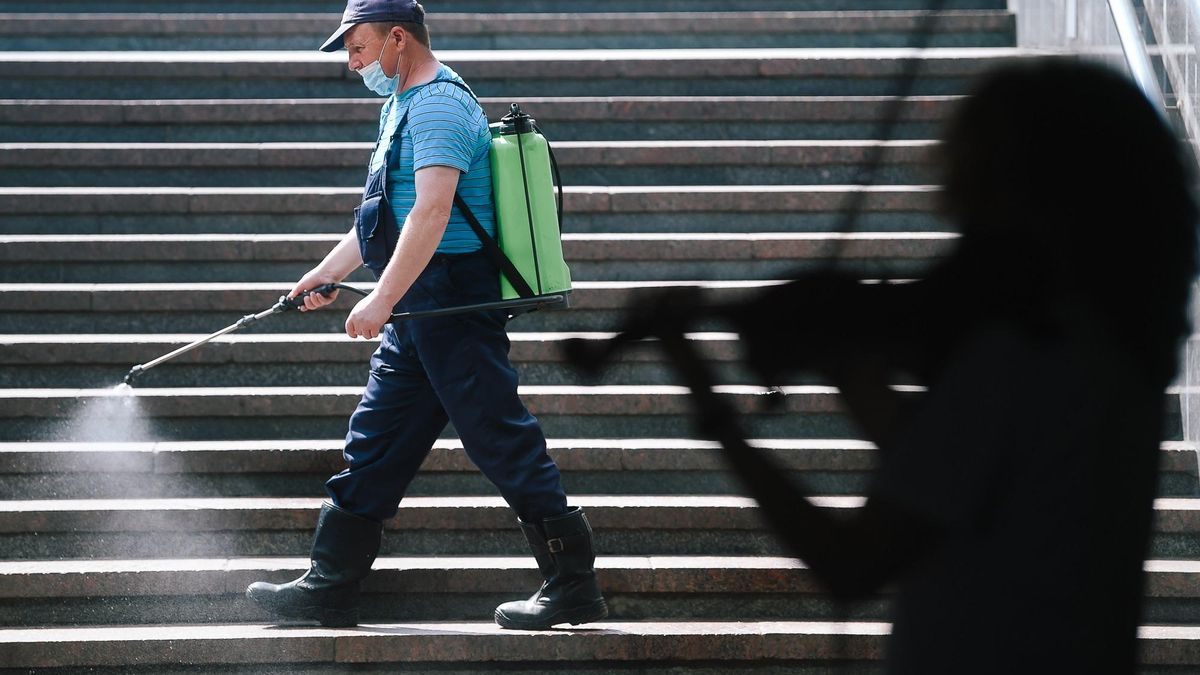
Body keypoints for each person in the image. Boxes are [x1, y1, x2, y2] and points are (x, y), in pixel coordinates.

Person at [651, 58, 1196, 673]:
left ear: (1029, 201)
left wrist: (714, 411)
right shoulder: (1109, 350)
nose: (965, 242)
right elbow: (966, 471)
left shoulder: (1013, 357)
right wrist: (851, 370)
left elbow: (852, 564)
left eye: (976, 203)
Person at [245, 0, 607, 631]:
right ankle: (329, 587)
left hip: (450, 299)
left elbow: (432, 213)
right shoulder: (401, 103)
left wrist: (381, 298)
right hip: (419, 299)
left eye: (358, 47)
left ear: (399, 40)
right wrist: (328, 272)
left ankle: (572, 583)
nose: (354, 62)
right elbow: (387, 212)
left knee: (498, 435)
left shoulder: (439, 103)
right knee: (377, 440)